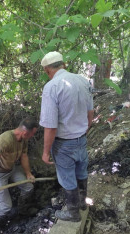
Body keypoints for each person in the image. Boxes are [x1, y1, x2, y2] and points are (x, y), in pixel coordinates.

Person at [39, 51, 94, 222]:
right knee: (81, 171)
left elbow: (50, 125)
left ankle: (72, 212)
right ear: (63, 64)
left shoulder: (52, 87)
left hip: (64, 144)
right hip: (81, 139)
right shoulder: (83, 80)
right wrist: (84, 130)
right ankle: (83, 203)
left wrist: (46, 151)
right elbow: (90, 112)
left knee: (67, 177)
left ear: (48, 70)